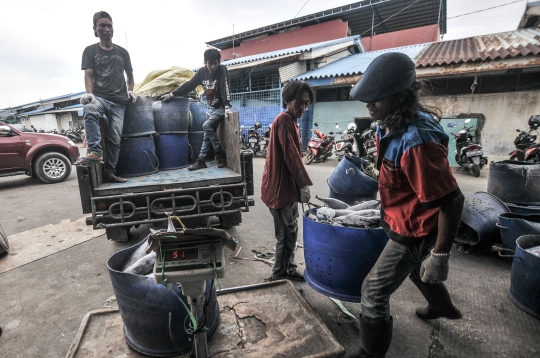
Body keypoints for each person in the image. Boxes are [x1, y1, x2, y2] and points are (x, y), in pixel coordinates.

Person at [349, 52, 465, 357]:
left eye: (377, 98)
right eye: (367, 97)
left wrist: (440, 254)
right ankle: (441, 306)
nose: (369, 104)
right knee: (415, 270)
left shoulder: (418, 141)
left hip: (416, 229)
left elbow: (452, 201)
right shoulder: (387, 122)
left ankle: (369, 352)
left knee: (373, 292)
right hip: (402, 216)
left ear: (401, 96)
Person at [260, 80, 313, 282]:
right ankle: (278, 275)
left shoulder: (291, 121)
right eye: (299, 102)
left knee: (291, 232)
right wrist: (304, 184)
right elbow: (292, 157)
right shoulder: (284, 120)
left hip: (286, 189)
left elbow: (294, 157)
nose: (303, 108)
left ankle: (289, 268)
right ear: (288, 100)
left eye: (306, 103)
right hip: (279, 189)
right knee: (285, 234)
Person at [76, 11, 137, 183]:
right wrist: (90, 94)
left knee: (115, 138)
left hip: (119, 102)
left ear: (113, 29)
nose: (106, 29)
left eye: (109, 25)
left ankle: (110, 171)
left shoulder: (122, 52)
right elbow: (89, 75)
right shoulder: (90, 51)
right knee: (89, 109)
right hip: (100, 98)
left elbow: (130, 75)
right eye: (102, 25)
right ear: (95, 29)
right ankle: (96, 151)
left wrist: (130, 90)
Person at [161, 49, 231, 171]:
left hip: (221, 108)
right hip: (211, 108)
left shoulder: (222, 70)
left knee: (206, 126)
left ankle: (220, 154)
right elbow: (189, 85)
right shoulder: (202, 72)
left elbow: (225, 87)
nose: (213, 66)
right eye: (210, 63)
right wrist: (172, 95)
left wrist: (227, 106)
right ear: (205, 62)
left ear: (218, 62)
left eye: (215, 63)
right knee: (206, 135)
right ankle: (201, 160)